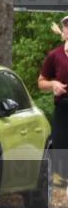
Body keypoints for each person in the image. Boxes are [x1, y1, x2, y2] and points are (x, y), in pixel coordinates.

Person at [38, 15, 68, 187]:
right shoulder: (55, 56)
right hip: (63, 108)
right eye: (67, 26)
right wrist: (53, 84)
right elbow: (41, 82)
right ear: (63, 30)